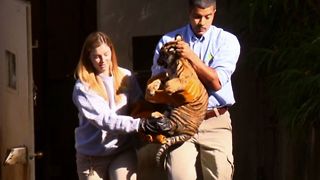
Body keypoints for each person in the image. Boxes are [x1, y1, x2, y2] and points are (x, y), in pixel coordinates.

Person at [149, 0, 241, 179]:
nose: (202, 22)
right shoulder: (168, 41)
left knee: (220, 175)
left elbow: (216, 82)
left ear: (214, 12)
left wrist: (190, 56)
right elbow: (156, 80)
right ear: (189, 12)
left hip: (214, 118)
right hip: (180, 118)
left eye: (208, 17)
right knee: (178, 175)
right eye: (197, 17)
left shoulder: (227, 40)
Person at [72, 31, 169, 180]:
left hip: (122, 150)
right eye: (96, 56)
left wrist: (156, 113)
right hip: (92, 156)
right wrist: (141, 124)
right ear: (88, 57)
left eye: (105, 54)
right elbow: (105, 120)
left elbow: (138, 107)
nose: (102, 60)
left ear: (111, 50)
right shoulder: (83, 87)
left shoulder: (126, 76)